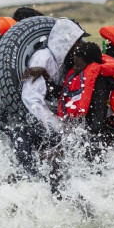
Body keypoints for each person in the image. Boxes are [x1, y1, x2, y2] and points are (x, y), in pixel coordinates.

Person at [12, 18, 89, 180]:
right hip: (46, 122)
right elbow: (31, 98)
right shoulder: (43, 58)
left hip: (66, 123)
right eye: (77, 42)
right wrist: (56, 127)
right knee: (20, 132)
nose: (80, 46)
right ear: (66, 42)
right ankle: (29, 178)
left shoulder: (73, 63)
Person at [57, 42, 114, 133]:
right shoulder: (79, 76)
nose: (74, 68)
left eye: (78, 66)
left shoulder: (100, 82)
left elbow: (98, 117)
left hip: (102, 130)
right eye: (74, 64)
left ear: (91, 65)